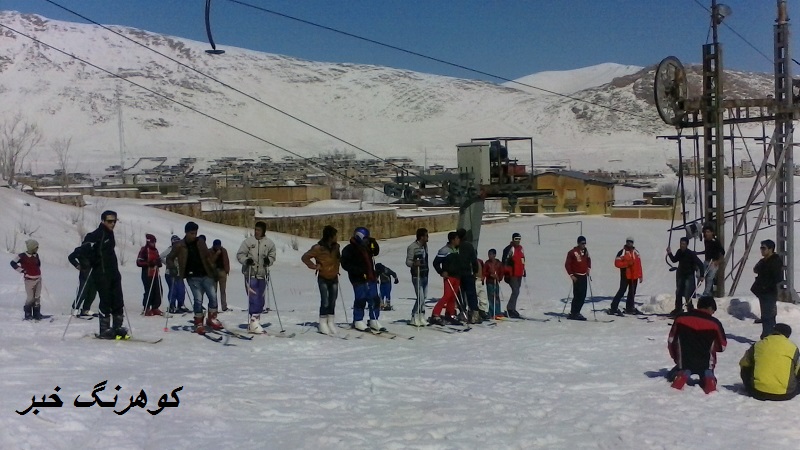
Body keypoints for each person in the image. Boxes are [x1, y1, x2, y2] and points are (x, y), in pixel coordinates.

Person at [79, 210, 127, 339]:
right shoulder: (96, 234)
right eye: (109, 221)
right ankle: (104, 329)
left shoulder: (110, 234)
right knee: (105, 301)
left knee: (118, 300)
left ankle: (117, 327)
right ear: (103, 221)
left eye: (114, 221)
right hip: (102, 274)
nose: (112, 224)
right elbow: (83, 250)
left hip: (113, 273)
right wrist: (90, 260)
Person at [168, 221, 221, 335]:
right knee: (198, 299)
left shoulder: (200, 242)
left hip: (206, 274)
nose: (194, 236)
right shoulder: (179, 245)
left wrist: (214, 270)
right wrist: (172, 268)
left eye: (195, 233)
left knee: (213, 296)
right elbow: (169, 258)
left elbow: (208, 257)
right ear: (186, 233)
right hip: (192, 277)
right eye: (192, 233)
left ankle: (211, 318)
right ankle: (198, 322)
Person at [667, 296, 727, 394]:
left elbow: (671, 340)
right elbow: (722, 346)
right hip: (706, 362)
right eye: (713, 311)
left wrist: (675, 357)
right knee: (706, 370)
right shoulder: (715, 323)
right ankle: (709, 379)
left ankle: (681, 376)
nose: (713, 313)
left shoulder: (681, 318)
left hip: (684, 361)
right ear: (710, 308)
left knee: (675, 372)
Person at [739, 323, 800, 401]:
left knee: (748, 364)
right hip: (785, 394)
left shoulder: (758, 344)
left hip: (757, 392)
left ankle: (757, 384)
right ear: (788, 335)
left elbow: (744, 363)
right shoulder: (793, 348)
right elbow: (797, 370)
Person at [236, 221, 277, 334]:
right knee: (253, 296)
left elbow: (273, 255)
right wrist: (246, 260)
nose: (256, 232)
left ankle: (255, 322)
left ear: (263, 231)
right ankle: (253, 322)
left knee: (261, 298)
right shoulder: (248, 242)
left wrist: (269, 260)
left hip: (262, 274)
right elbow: (240, 254)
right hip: (250, 273)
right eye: (255, 230)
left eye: (259, 230)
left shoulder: (269, 243)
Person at [340, 227, 383, 331]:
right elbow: (345, 264)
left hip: (370, 276)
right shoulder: (349, 249)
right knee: (361, 298)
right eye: (365, 238)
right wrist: (358, 271)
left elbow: (375, 252)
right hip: (358, 278)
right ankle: (358, 320)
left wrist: (373, 242)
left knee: (374, 298)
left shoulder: (367, 247)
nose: (366, 241)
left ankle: (374, 319)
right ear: (359, 237)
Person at [301, 225, 341, 335]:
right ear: (330, 236)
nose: (336, 237)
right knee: (325, 301)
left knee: (333, 300)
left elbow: (337, 258)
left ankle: (330, 321)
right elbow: (305, 257)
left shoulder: (336, 246)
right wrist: (314, 266)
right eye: (335, 235)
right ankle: (322, 322)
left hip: (334, 277)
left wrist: (337, 268)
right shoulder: (318, 248)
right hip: (323, 277)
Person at [430, 231, 465, 325]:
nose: (458, 240)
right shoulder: (444, 250)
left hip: (457, 276)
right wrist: (441, 272)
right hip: (449, 276)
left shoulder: (457, 249)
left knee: (453, 297)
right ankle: (435, 314)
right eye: (457, 239)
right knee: (447, 295)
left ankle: (450, 314)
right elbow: (435, 263)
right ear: (452, 240)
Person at [750, 239, 783, 339]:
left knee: (768, 316)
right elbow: (755, 269)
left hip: (769, 292)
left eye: (764, 248)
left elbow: (778, 278)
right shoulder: (763, 261)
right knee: (766, 315)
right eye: (761, 248)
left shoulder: (775, 261)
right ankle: (769, 335)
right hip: (762, 292)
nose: (762, 250)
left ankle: (767, 336)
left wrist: (766, 285)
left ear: (771, 249)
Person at [666, 237, 704, 316]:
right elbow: (674, 260)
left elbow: (700, 264)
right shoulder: (679, 252)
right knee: (678, 292)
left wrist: (702, 275)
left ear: (687, 245)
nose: (682, 245)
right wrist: (669, 253)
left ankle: (690, 310)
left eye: (683, 244)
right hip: (681, 275)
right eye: (681, 244)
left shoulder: (691, 254)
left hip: (689, 275)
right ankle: (678, 309)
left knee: (687, 293)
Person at [608, 237, 643, 316]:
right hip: (626, 275)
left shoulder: (636, 252)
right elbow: (617, 263)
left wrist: (640, 275)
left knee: (632, 292)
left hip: (634, 276)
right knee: (622, 290)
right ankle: (614, 307)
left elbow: (639, 264)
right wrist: (627, 264)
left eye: (631, 242)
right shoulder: (622, 252)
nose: (629, 243)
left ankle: (630, 308)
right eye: (628, 242)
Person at [10, 239, 43, 321]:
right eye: (36, 247)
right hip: (29, 280)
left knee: (37, 297)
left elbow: (38, 264)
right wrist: (21, 270)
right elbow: (12, 263)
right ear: (31, 247)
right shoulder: (22, 256)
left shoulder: (36, 255)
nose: (37, 248)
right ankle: (28, 313)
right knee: (30, 297)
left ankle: (36, 313)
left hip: (38, 279)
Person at [456, 228, 482, 324]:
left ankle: (463, 312)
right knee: (471, 294)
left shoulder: (457, 246)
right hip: (468, 273)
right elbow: (474, 260)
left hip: (459, 273)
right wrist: (475, 271)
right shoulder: (469, 246)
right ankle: (474, 314)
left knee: (461, 294)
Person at [405, 227, 429, 327]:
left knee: (425, 297)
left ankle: (421, 315)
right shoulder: (412, 247)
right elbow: (408, 262)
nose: (428, 237)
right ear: (421, 237)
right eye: (426, 235)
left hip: (425, 274)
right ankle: (414, 316)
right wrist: (415, 263)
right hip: (417, 275)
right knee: (420, 298)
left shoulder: (425, 246)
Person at [564, 235, 591, 321]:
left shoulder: (586, 251)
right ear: (578, 243)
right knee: (577, 295)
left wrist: (588, 269)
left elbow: (588, 260)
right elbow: (567, 264)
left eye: (585, 243)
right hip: (577, 276)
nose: (584, 245)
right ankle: (574, 312)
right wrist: (571, 275)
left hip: (584, 276)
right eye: (582, 243)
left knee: (583, 296)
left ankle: (577, 311)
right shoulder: (572, 252)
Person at [136, 233, 163, 316]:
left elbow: (158, 259)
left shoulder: (155, 250)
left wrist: (158, 263)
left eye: (154, 242)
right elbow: (139, 262)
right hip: (147, 273)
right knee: (149, 290)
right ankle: (146, 307)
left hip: (155, 273)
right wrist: (149, 263)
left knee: (158, 290)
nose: (154, 244)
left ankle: (155, 307)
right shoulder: (144, 250)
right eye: (152, 242)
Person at [161, 235, 189, 314]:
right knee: (173, 289)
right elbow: (161, 256)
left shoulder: (181, 250)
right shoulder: (170, 249)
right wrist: (168, 265)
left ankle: (180, 305)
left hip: (179, 273)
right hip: (170, 273)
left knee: (181, 289)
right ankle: (172, 305)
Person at [68, 243, 97, 317]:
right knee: (82, 293)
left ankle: (86, 309)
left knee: (92, 294)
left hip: (95, 274)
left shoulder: (97, 249)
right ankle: (75, 308)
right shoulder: (81, 250)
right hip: (85, 274)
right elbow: (71, 257)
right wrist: (77, 265)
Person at [501, 232, 526, 318]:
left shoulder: (520, 248)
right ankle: (510, 309)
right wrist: (507, 273)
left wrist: (524, 269)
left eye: (519, 239)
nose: (518, 241)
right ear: (513, 239)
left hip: (519, 273)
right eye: (516, 239)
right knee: (515, 291)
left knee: (516, 291)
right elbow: (504, 262)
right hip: (512, 274)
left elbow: (522, 259)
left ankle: (512, 308)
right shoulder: (510, 248)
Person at [697, 224, 725, 296]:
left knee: (709, 278)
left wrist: (717, 261)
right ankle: (697, 289)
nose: (707, 234)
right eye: (706, 232)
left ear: (712, 233)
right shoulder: (706, 241)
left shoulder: (715, 242)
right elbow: (707, 251)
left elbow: (722, 252)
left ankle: (706, 293)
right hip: (706, 261)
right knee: (699, 274)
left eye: (708, 232)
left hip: (713, 263)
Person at [210, 239, 231, 312]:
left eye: (219, 245)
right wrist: (216, 254)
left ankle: (224, 306)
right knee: (213, 291)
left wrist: (227, 270)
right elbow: (211, 261)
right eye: (216, 246)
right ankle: (214, 307)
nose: (218, 247)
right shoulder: (211, 251)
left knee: (223, 291)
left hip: (222, 271)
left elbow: (226, 260)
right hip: (214, 273)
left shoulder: (224, 251)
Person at [482, 249, 504, 319]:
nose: (489, 256)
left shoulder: (499, 263)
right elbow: (484, 272)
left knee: (496, 297)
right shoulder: (487, 263)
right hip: (489, 282)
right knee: (490, 297)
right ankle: (491, 312)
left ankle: (498, 312)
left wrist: (499, 278)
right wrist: (489, 275)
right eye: (489, 254)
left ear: (494, 255)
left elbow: (501, 272)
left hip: (496, 282)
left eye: (491, 254)